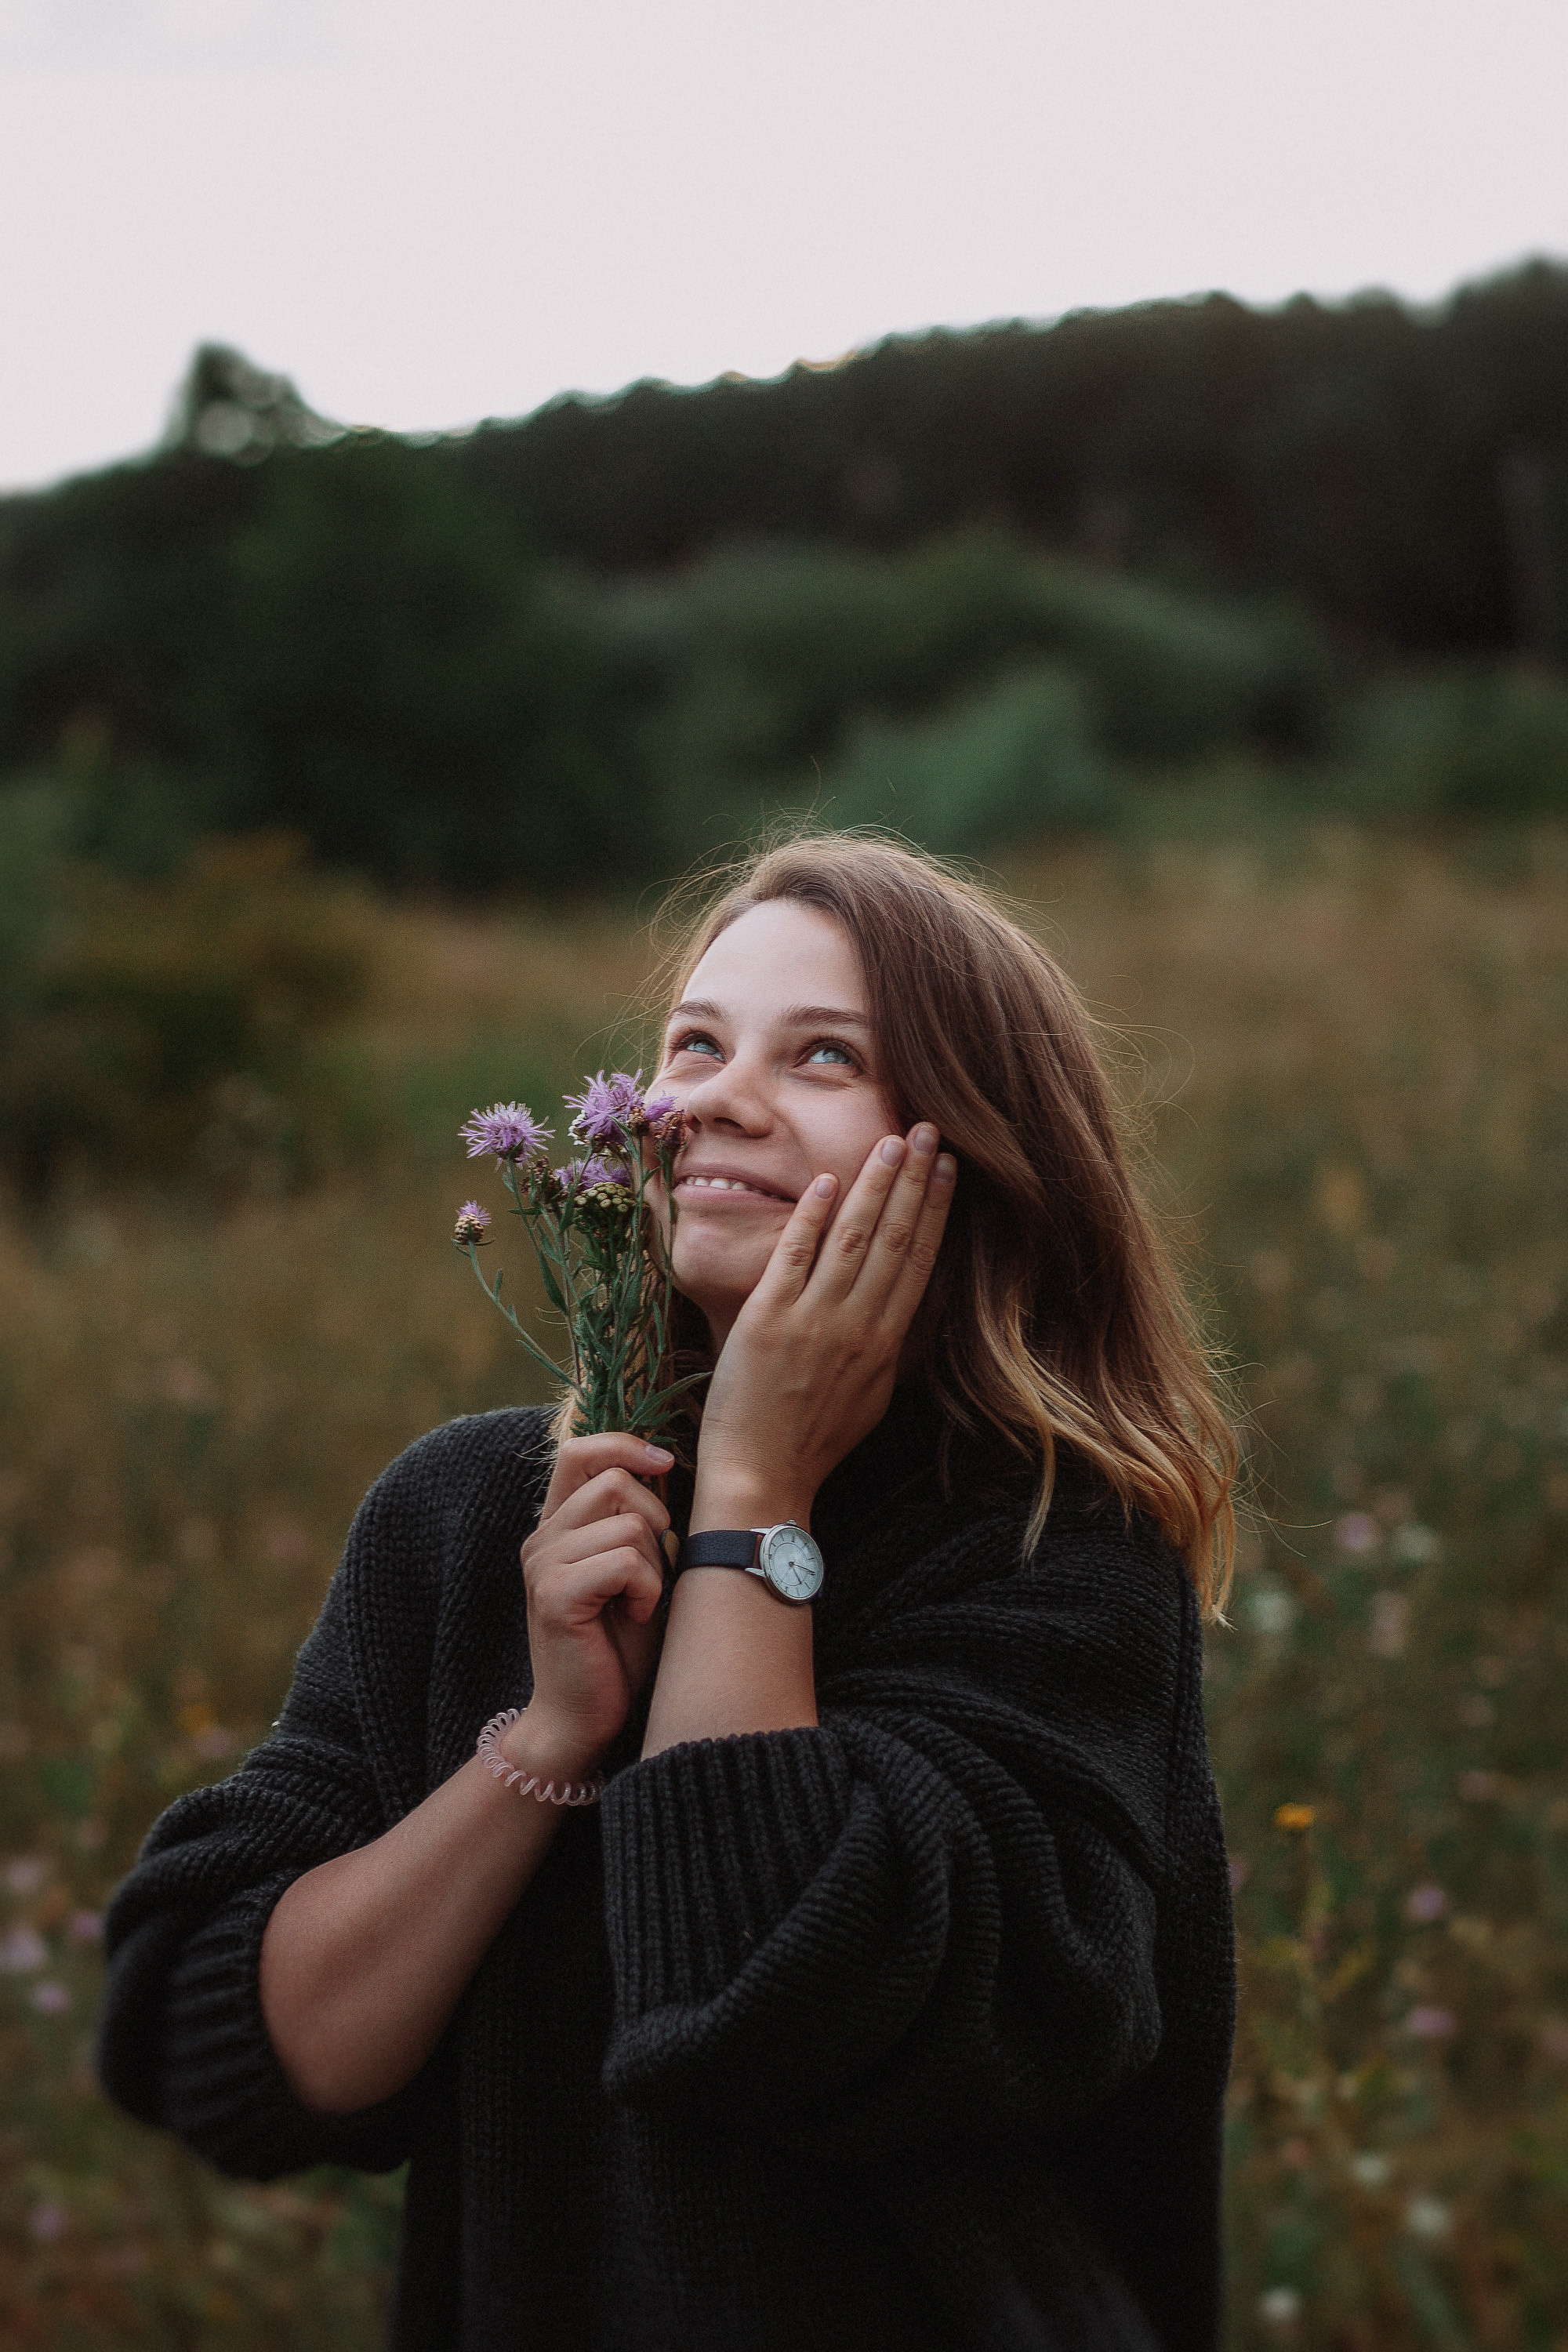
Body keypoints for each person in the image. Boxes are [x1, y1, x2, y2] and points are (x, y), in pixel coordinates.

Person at [100, 833, 1239, 2352]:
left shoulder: (1053, 1556)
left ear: (972, 1154)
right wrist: (544, 1745)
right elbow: (217, 2045)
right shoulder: (473, 1515)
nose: (711, 1099)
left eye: (823, 1054)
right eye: (695, 1044)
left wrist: (754, 1497)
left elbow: (755, 2001)